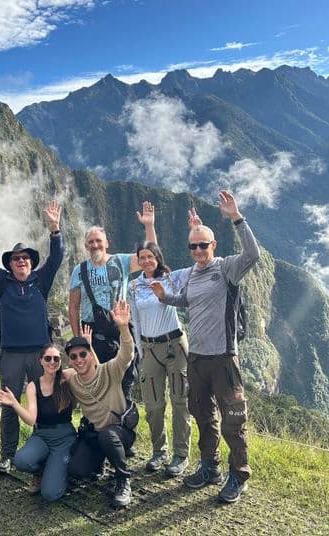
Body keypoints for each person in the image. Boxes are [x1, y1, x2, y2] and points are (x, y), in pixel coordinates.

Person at [151, 190, 260, 504]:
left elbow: (253, 255)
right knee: (202, 414)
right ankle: (209, 467)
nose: (198, 250)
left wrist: (236, 217)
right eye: (193, 246)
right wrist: (164, 297)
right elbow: (187, 302)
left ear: (213, 245)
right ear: (190, 250)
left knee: (234, 420)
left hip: (224, 358)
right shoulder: (193, 276)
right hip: (196, 358)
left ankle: (239, 475)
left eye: (204, 244)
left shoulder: (226, 269)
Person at [0, 201, 64, 473]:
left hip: (40, 354)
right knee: (9, 403)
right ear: (11, 263)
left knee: (43, 401)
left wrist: (55, 230)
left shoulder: (41, 281)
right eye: (17, 259)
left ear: (31, 263)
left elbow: (57, 258)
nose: (21, 261)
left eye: (25, 258)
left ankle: (41, 451)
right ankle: (7, 455)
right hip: (12, 354)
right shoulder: (1, 282)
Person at [68, 202, 156, 398]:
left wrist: (149, 226)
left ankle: (123, 421)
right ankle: (99, 424)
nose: (95, 245)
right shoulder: (79, 271)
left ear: (107, 243)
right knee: (96, 380)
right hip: (92, 331)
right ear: (85, 246)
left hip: (120, 327)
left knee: (125, 378)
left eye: (98, 241)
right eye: (90, 242)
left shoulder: (122, 261)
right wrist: (78, 339)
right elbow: (73, 307)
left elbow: (150, 254)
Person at [128, 241, 192, 478]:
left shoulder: (172, 278)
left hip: (175, 344)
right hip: (149, 346)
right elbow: (134, 319)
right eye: (142, 257)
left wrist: (196, 228)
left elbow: (200, 262)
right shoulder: (133, 286)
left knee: (180, 400)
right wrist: (139, 350)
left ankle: (181, 455)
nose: (146, 261)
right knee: (154, 406)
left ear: (158, 257)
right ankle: (159, 451)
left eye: (150, 257)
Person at [64, 301, 136, 508]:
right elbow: (53, 376)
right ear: (69, 361)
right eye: (74, 356)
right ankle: (99, 463)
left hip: (120, 433)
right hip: (95, 435)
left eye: (83, 354)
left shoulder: (110, 371)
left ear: (90, 355)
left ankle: (123, 479)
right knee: (77, 470)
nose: (79, 359)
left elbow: (127, 354)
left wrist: (123, 326)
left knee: (108, 435)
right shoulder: (73, 381)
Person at [0, 344, 76, 502]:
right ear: (41, 361)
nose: (52, 362)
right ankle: (45, 470)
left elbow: (93, 369)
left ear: (60, 361)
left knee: (50, 494)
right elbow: (31, 419)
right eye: (48, 358)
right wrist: (15, 403)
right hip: (42, 436)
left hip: (64, 438)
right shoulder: (33, 386)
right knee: (20, 461)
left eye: (56, 358)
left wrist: (89, 346)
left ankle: (60, 471)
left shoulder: (67, 377)